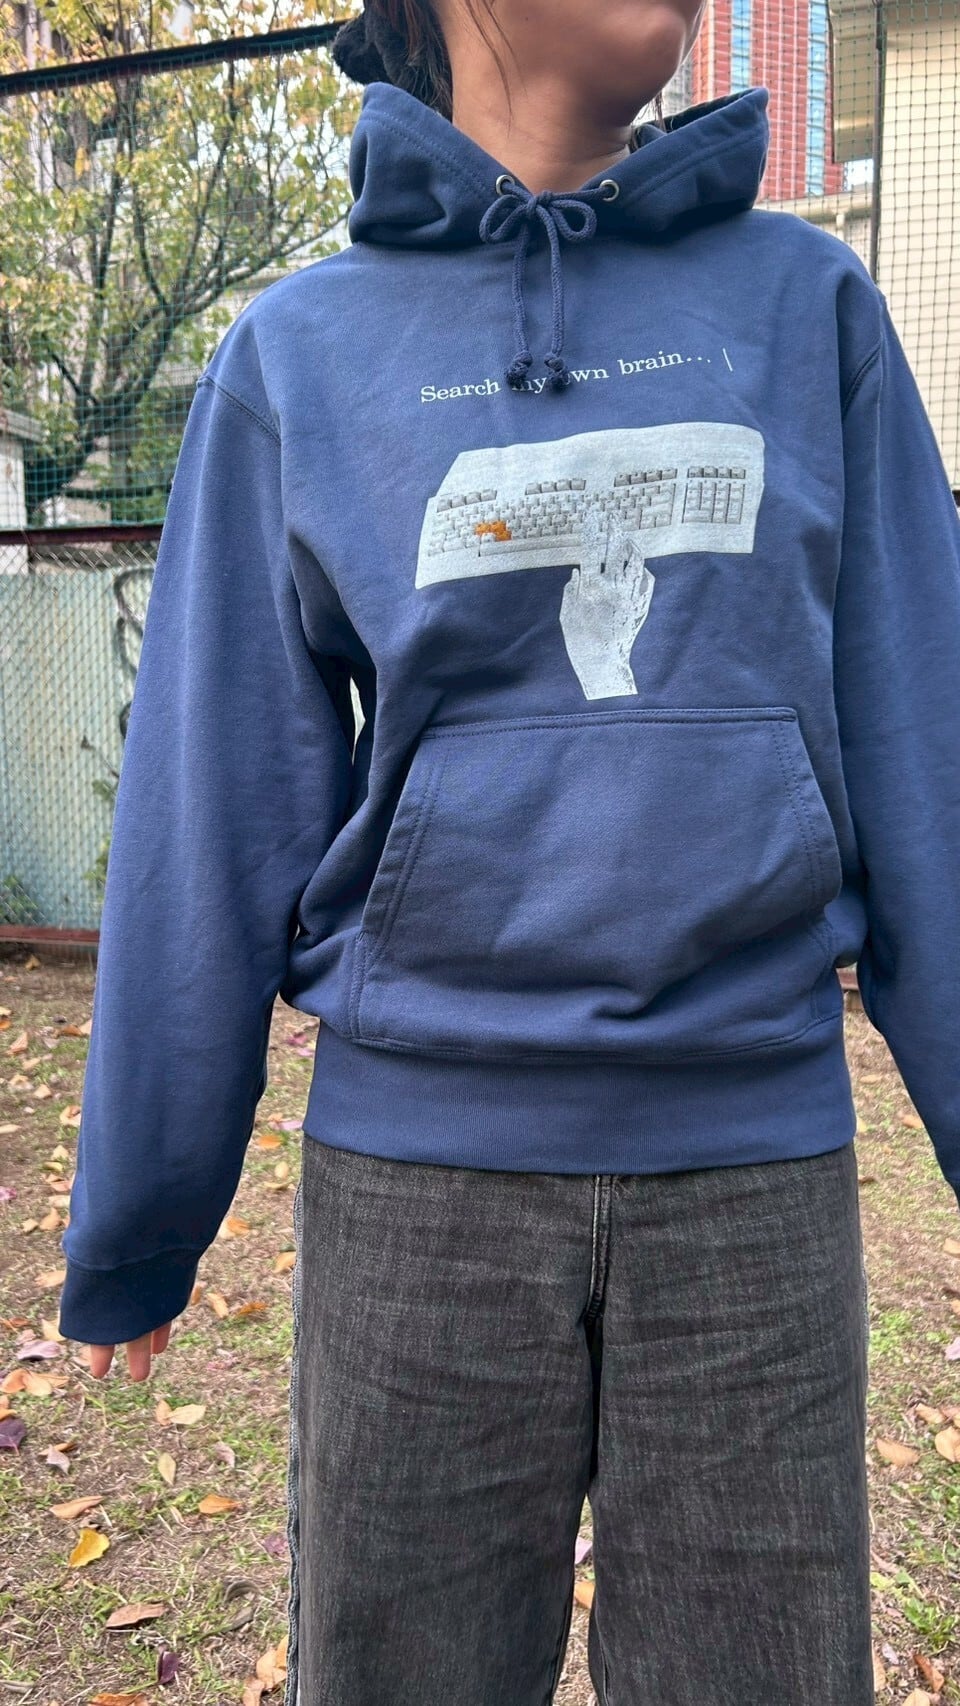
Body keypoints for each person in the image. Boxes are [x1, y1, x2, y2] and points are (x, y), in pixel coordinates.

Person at [58, 1, 960, 1701]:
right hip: (419, 1200)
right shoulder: (297, 359)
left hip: (753, 1185)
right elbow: (214, 804)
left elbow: (932, 756)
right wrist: (142, 1212)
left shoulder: (811, 311)